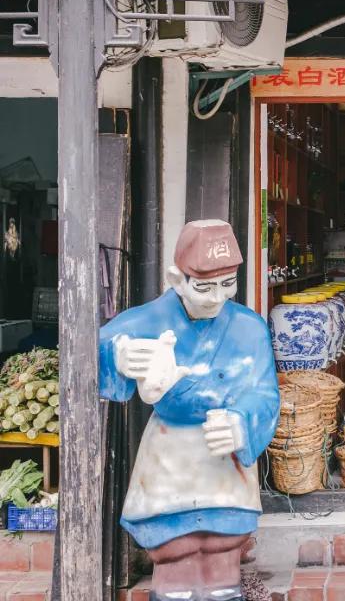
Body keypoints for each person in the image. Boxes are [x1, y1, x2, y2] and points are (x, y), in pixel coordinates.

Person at [99, 220, 280, 601]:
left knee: (223, 546)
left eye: (227, 284)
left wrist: (242, 423)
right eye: (204, 286)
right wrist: (117, 355)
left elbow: (264, 393)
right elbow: (90, 346)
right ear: (176, 278)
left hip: (223, 452)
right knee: (173, 546)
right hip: (171, 449)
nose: (217, 297)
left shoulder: (250, 328)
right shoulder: (148, 320)